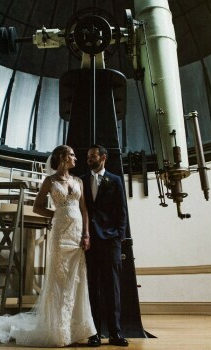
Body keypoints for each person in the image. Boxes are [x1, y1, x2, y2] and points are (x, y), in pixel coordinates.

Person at [0, 145, 96, 347]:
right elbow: (37, 207)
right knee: (58, 282)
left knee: (76, 281)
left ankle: (75, 330)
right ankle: (58, 330)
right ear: (62, 157)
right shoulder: (50, 181)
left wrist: (87, 234)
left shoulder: (78, 181)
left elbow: (84, 210)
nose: (75, 157)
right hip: (59, 235)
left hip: (76, 236)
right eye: (71, 154)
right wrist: (55, 215)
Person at [81, 144, 129, 347]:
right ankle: (95, 333)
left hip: (111, 241)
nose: (89, 159)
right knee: (92, 288)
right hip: (88, 242)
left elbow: (122, 211)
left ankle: (115, 333)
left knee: (112, 288)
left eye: (93, 156)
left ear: (103, 157)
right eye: (88, 156)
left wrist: (118, 236)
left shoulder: (116, 180)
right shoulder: (81, 181)